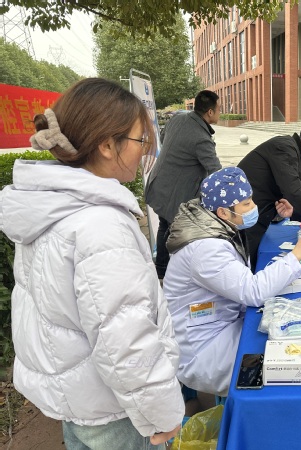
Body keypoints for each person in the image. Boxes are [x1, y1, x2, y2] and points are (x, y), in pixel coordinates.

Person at [0, 78, 184, 449]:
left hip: (79, 404)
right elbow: (125, 337)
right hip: (117, 414)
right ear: (106, 145)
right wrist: (162, 414)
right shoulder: (100, 224)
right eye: (140, 139)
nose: (144, 150)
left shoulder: (51, 207)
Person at [163, 167, 301, 396]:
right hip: (204, 348)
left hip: (220, 323)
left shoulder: (214, 226)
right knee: (285, 358)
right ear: (223, 212)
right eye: (246, 204)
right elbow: (252, 291)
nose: (253, 207)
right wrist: (297, 255)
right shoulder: (206, 249)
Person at [145, 90, 222, 279]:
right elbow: (216, 172)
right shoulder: (201, 138)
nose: (220, 112)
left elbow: (163, 140)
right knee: (176, 234)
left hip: (159, 184)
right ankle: (170, 275)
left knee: (165, 226)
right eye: (219, 109)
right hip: (175, 194)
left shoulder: (178, 118)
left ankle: (161, 270)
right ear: (210, 112)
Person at [237, 130, 301, 267]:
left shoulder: (293, 153)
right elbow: (293, 190)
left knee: (253, 258)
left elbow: (298, 188)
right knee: (246, 262)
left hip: (258, 214)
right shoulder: (284, 148)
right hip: (244, 215)